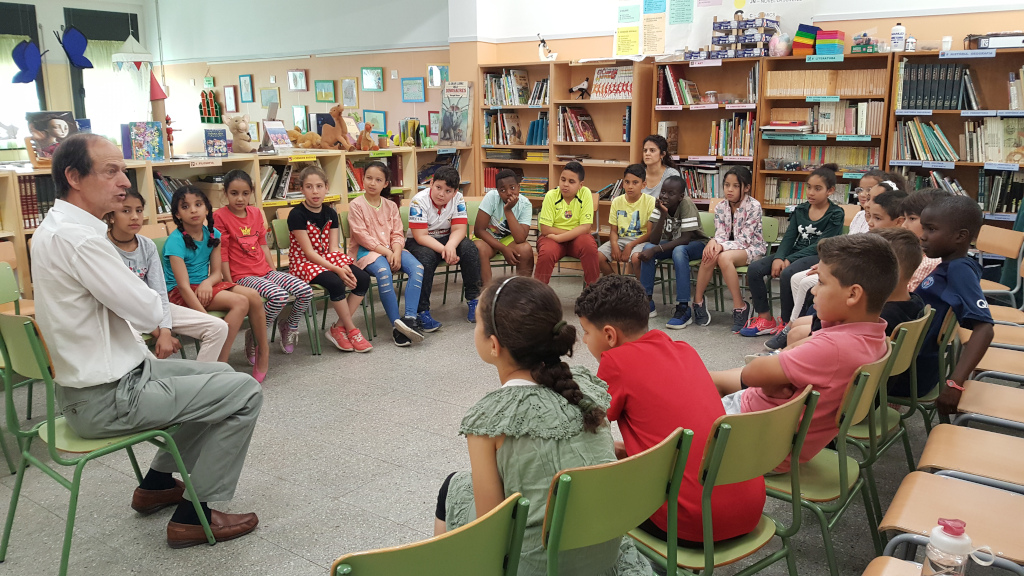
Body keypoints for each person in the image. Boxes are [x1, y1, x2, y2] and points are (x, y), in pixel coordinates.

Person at [33, 133, 262, 548]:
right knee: (244, 392)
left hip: (115, 378)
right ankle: (194, 517)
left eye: (123, 170)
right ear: (74, 177)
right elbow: (148, 312)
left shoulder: (58, 228)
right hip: (108, 396)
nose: (125, 181)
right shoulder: (80, 240)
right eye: (111, 171)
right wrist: (151, 299)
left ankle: (156, 483)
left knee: (222, 378)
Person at [434, 276, 651, 575]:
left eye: (478, 324)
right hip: (600, 557)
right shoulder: (586, 389)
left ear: (494, 345)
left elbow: (490, 533)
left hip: (534, 568)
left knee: (452, 486)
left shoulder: (487, 421)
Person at [574, 276, 765, 547]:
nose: (584, 340)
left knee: (583, 488)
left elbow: (586, 428)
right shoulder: (685, 350)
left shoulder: (615, 362)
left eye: (586, 332)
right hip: (749, 509)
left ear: (609, 335)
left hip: (688, 523)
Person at [711, 234, 896, 470]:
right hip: (774, 429)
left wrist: (772, 375)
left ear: (853, 294)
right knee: (704, 380)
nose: (814, 291)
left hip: (757, 443)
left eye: (821, 283)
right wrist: (773, 378)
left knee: (685, 397)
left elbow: (751, 373)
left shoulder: (834, 348)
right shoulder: (873, 336)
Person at [769, 175, 910, 350]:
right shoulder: (863, 220)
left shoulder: (891, 249)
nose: (870, 222)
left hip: (850, 293)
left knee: (804, 288)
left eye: (877, 217)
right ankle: (791, 325)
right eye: (863, 191)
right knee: (799, 284)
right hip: (846, 274)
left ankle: (798, 332)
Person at [107, 189, 229, 363]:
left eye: (139, 210)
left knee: (218, 327)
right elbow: (118, 300)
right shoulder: (103, 247)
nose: (134, 217)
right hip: (120, 314)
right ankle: (154, 378)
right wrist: (160, 333)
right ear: (111, 216)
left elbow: (159, 291)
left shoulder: (147, 245)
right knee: (137, 347)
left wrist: (164, 330)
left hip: (152, 307)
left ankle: (200, 377)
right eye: (126, 211)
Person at [165, 185, 271, 382]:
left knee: (253, 296)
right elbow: (183, 286)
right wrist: (207, 320)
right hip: (181, 293)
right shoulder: (175, 241)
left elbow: (216, 273)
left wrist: (207, 282)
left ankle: (263, 351)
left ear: (207, 208)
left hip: (205, 286)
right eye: (185, 207)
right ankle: (221, 362)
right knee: (240, 302)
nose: (193, 210)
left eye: (198, 204)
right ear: (177, 214)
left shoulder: (213, 234)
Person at [782, 228, 925, 365]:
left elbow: (829, 335)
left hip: (846, 364)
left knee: (796, 334)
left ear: (890, 271)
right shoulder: (914, 302)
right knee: (797, 324)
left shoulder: (882, 317)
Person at [213, 169, 313, 355]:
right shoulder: (220, 216)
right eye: (234, 193)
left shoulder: (256, 213)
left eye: (245, 193)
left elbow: (263, 245)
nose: (240, 198)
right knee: (279, 296)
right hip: (242, 276)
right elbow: (222, 253)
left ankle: (289, 326)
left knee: (305, 291)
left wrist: (273, 271)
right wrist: (230, 283)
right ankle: (256, 335)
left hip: (265, 271)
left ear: (251, 193)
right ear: (225, 193)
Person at [740, 164, 845, 338]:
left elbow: (822, 244)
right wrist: (779, 257)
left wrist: (789, 259)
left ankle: (786, 323)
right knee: (755, 269)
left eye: (817, 188)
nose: (811, 192)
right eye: (809, 187)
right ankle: (765, 318)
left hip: (818, 255)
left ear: (830, 190)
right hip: (795, 252)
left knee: (788, 273)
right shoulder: (801, 209)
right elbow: (789, 237)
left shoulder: (835, 213)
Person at [912, 195, 994, 414]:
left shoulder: (959, 270)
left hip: (911, 372)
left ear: (960, 236)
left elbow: (985, 329)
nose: (923, 236)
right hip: (910, 363)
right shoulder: (951, 266)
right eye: (923, 228)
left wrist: (955, 384)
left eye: (931, 229)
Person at [287, 166, 372, 352]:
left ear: (326, 187)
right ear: (301, 189)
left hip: (327, 257)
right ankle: (351, 329)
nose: (315, 191)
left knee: (363, 278)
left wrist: (342, 265)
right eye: (309, 187)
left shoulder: (331, 213)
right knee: (335, 282)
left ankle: (338, 328)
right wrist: (337, 269)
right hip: (304, 263)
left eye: (319, 186)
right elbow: (309, 253)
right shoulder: (296, 215)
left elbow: (333, 248)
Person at [348, 161, 426, 347]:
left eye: (378, 180)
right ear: (363, 179)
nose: (372, 183)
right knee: (384, 273)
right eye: (369, 178)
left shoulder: (391, 206)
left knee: (417, 268)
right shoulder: (356, 205)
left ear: (385, 183)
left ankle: (409, 320)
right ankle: (396, 326)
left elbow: (398, 233)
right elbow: (362, 237)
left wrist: (396, 252)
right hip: (367, 252)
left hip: (393, 249)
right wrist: (387, 252)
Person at [405, 165, 482, 329]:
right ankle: (422, 312)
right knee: (425, 259)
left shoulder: (458, 198)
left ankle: (474, 300)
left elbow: (459, 229)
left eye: (448, 191)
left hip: (447, 237)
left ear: (454, 192)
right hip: (421, 241)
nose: (441, 194)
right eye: (438, 187)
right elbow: (420, 236)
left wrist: (451, 245)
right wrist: (445, 250)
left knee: (469, 249)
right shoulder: (418, 200)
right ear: (431, 183)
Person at [691, 166, 766, 331]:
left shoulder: (754, 206)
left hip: (752, 248)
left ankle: (740, 306)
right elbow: (721, 234)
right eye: (726, 185)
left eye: (735, 186)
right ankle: (698, 302)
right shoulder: (721, 206)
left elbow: (745, 240)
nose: (729, 190)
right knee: (710, 254)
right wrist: (713, 242)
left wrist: (719, 245)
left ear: (746, 188)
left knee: (723, 257)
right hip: (728, 248)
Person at [635, 176, 709, 328]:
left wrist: (656, 249)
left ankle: (683, 308)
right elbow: (654, 240)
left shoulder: (686, 204)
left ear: (681, 196)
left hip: (696, 244)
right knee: (647, 248)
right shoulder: (660, 205)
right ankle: (647, 302)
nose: (665, 196)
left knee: (678, 251)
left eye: (671, 193)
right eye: (663, 192)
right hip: (673, 244)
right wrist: (662, 214)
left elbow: (685, 239)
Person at [533, 162, 600, 285]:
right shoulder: (551, 195)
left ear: (580, 185)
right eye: (563, 179)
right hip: (552, 238)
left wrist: (560, 237)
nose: (565, 184)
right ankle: (538, 292)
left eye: (571, 181)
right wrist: (572, 233)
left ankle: (594, 291)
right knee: (546, 252)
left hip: (572, 239)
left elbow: (586, 227)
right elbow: (545, 229)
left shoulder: (585, 193)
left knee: (589, 246)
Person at [473, 169, 534, 285]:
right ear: (497, 191)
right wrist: (503, 249)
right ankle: (487, 290)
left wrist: (508, 210)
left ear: (519, 187)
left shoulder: (525, 204)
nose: (509, 193)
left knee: (525, 249)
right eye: (502, 190)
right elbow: (479, 230)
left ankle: (522, 291)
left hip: (508, 240)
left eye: (512, 188)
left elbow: (520, 239)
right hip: (487, 239)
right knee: (479, 248)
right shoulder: (491, 197)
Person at [598, 164, 655, 277]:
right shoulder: (616, 201)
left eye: (635, 182)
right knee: (598, 256)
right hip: (621, 239)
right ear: (623, 183)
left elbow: (649, 234)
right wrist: (614, 244)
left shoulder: (650, 201)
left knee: (636, 258)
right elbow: (613, 230)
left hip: (641, 241)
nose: (630, 186)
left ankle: (641, 288)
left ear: (643, 185)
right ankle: (617, 283)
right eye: (627, 182)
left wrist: (630, 245)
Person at [901, 188, 949, 291]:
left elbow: (910, 295)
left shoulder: (930, 262)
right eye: (904, 218)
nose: (903, 226)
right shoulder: (917, 252)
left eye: (912, 218)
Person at [847, 170, 886, 235]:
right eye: (860, 190)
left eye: (869, 190)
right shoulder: (859, 215)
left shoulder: (883, 219)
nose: (862, 194)